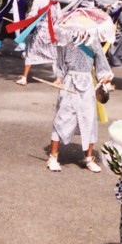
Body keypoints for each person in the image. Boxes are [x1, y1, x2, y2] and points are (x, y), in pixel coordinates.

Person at [47, 17, 113, 173]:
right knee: (62, 118)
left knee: (89, 120)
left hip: (87, 83)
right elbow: (60, 61)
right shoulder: (67, 41)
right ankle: (53, 156)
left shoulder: (94, 42)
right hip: (69, 81)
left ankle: (88, 158)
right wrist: (59, 77)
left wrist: (104, 77)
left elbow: (101, 63)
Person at [15, 0, 62, 86]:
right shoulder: (56, 2)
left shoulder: (38, 1)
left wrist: (25, 19)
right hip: (53, 32)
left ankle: (25, 77)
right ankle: (59, 78)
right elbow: (59, 18)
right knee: (55, 54)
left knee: (31, 52)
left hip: (41, 30)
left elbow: (33, 16)